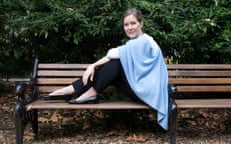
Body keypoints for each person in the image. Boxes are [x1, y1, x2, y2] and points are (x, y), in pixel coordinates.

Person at [41, 8, 169, 130]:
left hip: (147, 94)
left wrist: (92, 66)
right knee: (114, 68)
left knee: (115, 64)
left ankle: (75, 91)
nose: (129, 28)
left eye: (133, 23)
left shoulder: (144, 42)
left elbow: (114, 54)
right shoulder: (138, 42)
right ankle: (81, 92)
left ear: (141, 23)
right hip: (140, 89)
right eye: (126, 25)